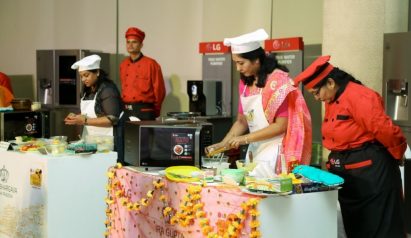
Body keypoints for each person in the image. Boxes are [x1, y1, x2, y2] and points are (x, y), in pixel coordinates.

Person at [294, 55, 406, 238]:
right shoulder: (332, 98)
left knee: (380, 228)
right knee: (358, 227)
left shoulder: (359, 96)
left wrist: (398, 153)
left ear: (330, 83)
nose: (316, 98)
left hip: (372, 174)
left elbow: (385, 130)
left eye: (316, 92)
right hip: (350, 174)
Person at [206, 29, 312, 178]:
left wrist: (243, 139)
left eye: (241, 63)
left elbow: (281, 125)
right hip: (255, 148)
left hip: (277, 150)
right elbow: (242, 121)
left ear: (256, 59)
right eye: (236, 63)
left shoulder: (277, 82)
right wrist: (223, 144)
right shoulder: (244, 83)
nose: (238, 68)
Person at [64, 55, 125, 163]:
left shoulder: (108, 90)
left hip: (109, 142)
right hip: (92, 141)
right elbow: (93, 112)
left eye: (86, 75)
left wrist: (85, 120)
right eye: (81, 76)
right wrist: (76, 117)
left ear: (97, 72)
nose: (83, 79)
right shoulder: (87, 90)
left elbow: (112, 119)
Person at [120, 26, 166, 120]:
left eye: (134, 42)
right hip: (126, 110)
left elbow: (159, 91)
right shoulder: (123, 65)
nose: (130, 45)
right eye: (128, 42)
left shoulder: (151, 64)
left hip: (145, 111)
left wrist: (154, 111)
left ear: (141, 45)